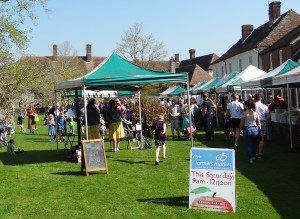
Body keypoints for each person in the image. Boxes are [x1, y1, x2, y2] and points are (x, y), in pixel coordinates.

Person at [240, 99, 261, 163]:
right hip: (255, 129)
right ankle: (254, 156)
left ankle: (251, 157)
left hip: (247, 128)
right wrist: (259, 130)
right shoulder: (255, 113)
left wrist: (241, 129)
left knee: (248, 144)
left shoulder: (244, 113)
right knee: (254, 144)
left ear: (246, 105)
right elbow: (258, 123)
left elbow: (242, 123)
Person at [254, 94, 270, 158]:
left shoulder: (253, 105)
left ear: (254, 98)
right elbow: (268, 115)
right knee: (262, 138)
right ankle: (260, 152)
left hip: (254, 123)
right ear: (261, 98)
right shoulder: (264, 106)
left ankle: (255, 151)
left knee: (254, 137)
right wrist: (266, 121)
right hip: (263, 122)